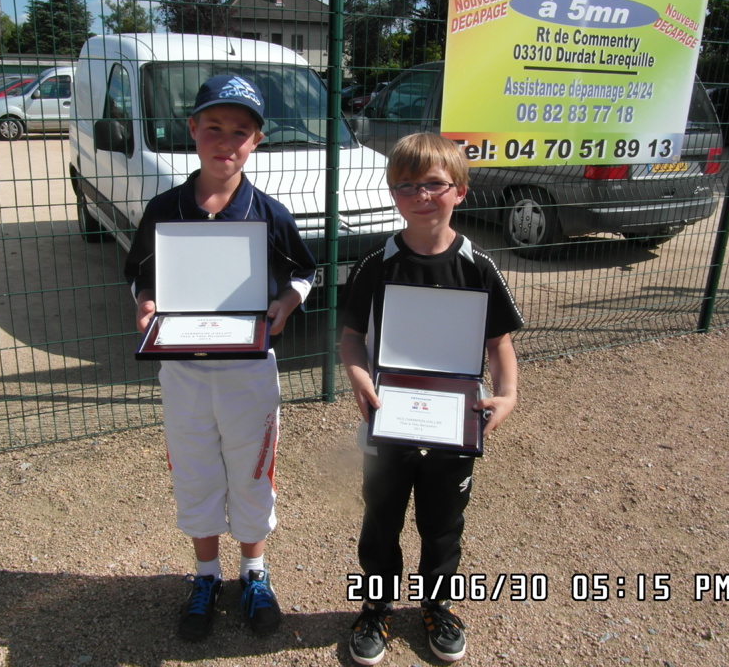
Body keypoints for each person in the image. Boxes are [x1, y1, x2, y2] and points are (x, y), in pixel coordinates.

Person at [124, 74, 317, 642]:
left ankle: (254, 572)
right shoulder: (164, 208)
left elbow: (306, 271)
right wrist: (145, 305)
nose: (225, 141)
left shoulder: (270, 214)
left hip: (248, 372)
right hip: (182, 371)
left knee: (252, 471)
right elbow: (137, 274)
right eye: (214, 127)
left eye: (240, 131)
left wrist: (285, 303)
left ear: (257, 140)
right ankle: (205, 575)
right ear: (192, 130)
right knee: (196, 471)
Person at [338, 132, 524, 664]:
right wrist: (357, 375)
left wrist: (507, 395)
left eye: (434, 184)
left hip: (455, 421)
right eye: (406, 186)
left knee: (443, 522)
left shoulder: (478, 267)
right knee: (380, 519)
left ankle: (437, 606)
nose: (421, 196)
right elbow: (351, 336)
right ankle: (375, 607)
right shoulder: (375, 265)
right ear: (393, 195)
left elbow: (498, 343)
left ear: (460, 190)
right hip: (387, 416)